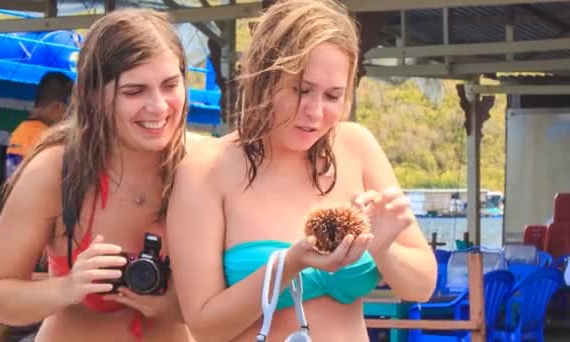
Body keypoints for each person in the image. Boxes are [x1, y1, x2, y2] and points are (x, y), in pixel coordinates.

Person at [166, 0, 437, 341]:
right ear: (264, 77)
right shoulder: (204, 171)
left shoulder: (357, 147)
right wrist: (290, 264)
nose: (315, 111)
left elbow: (421, 286)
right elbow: (204, 327)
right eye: (301, 90)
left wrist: (385, 249)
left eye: (333, 95)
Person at [0, 8, 194, 342]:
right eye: (134, 91)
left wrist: (169, 306)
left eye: (170, 85)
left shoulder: (199, 165)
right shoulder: (57, 170)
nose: (159, 107)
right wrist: (67, 288)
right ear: (93, 95)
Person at [5, 71, 73, 178]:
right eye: (69, 110)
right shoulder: (49, 138)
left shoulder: (20, 131)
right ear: (57, 108)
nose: (70, 117)